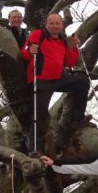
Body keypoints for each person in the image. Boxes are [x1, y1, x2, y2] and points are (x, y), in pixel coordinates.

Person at [20, 13, 90, 155]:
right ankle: (36, 149)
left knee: (82, 83)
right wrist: (29, 50)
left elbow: (69, 62)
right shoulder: (37, 35)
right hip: (40, 80)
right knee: (39, 115)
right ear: (46, 24)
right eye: (51, 23)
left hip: (57, 79)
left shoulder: (63, 41)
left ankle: (76, 119)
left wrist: (75, 47)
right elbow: (25, 52)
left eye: (57, 23)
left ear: (61, 25)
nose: (54, 25)